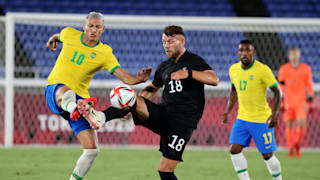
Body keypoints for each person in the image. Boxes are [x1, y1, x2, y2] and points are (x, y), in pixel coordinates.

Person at [78, 25, 219, 180]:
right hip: (163, 114)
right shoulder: (164, 66)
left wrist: (189, 73)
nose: (166, 45)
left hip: (182, 123)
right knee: (129, 97)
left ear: (182, 42)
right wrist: (129, 108)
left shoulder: (194, 61)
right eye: (164, 42)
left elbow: (214, 79)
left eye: (170, 41)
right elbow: (152, 88)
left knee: (165, 171)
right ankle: (100, 117)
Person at [45, 12, 152, 180]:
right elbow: (59, 36)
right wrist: (52, 39)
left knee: (92, 150)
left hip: (81, 99)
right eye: (90, 26)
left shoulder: (104, 53)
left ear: (103, 29)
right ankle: (81, 109)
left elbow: (124, 77)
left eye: (97, 27)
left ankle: (91, 114)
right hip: (56, 89)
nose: (93, 30)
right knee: (66, 94)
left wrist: (138, 79)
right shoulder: (69, 33)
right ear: (84, 27)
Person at [221, 40, 282, 180]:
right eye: (241, 50)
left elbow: (277, 92)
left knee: (267, 156)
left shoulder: (263, 70)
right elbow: (234, 91)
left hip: (261, 119)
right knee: (234, 150)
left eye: (248, 50)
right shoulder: (233, 69)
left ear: (253, 53)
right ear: (238, 53)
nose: (244, 53)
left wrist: (275, 114)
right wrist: (228, 111)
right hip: (242, 118)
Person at [278, 47, 314, 157]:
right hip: (288, 101)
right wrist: (281, 101)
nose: (294, 56)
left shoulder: (306, 69)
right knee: (289, 125)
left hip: (301, 101)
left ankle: (297, 144)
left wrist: (310, 102)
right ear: (289, 56)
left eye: (296, 54)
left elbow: (309, 86)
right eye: (292, 54)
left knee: (301, 123)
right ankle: (291, 148)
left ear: (299, 55)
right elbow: (280, 86)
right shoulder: (284, 69)